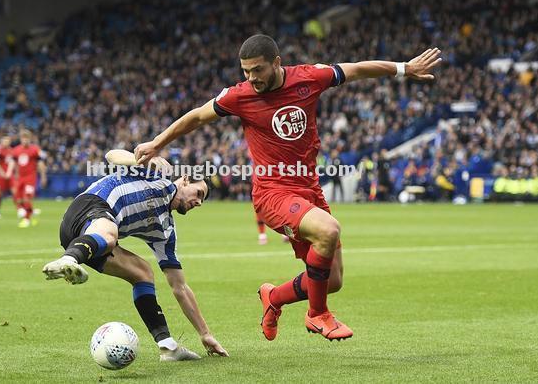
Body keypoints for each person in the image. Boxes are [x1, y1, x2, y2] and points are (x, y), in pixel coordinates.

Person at [135, 34, 441, 341]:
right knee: (328, 230)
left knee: (331, 280)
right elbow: (197, 117)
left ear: (276, 63)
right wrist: (157, 143)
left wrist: (403, 68)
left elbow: (357, 69)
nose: (251, 78)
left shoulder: (309, 77)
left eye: (257, 70)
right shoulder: (238, 96)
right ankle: (317, 315)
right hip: (272, 193)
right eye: (245, 71)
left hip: (309, 190)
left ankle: (274, 298)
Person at [42, 166, 229, 361]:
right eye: (198, 193)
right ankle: (68, 260)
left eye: (202, 200)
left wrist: (205, 333)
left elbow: (179, 286)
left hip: (92, 241)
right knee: (110, 235)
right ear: (184, 180)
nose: (198, 202)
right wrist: (146, 159)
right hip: (89, 207)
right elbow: (113, 155)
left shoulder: (165, 232)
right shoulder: (158, 176)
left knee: (143, 273)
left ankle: (168, 347)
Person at [11, 130, 47, 228]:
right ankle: (31, 212)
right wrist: (14, 175)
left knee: (27, 198)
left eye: (27, 138)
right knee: (18, 199)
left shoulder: (35, 150)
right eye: (23, 138)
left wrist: (43, 176)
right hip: (20, 178)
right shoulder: (16, 150)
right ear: (21, 139)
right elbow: (15, 164)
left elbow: (40, 164)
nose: (25, 140)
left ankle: (26, 219)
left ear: (30, 139)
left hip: (30, 178)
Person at [0, 135, 16, 219]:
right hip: (1, 175)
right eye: (5, 140)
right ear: (2, 141)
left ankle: (21, 209)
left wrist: (9, 172)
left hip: (9, 175)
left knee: (15, 192)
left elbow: (12, 162)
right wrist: (2, 173)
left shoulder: (12, 151)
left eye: (8, 141)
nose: (6, 142)